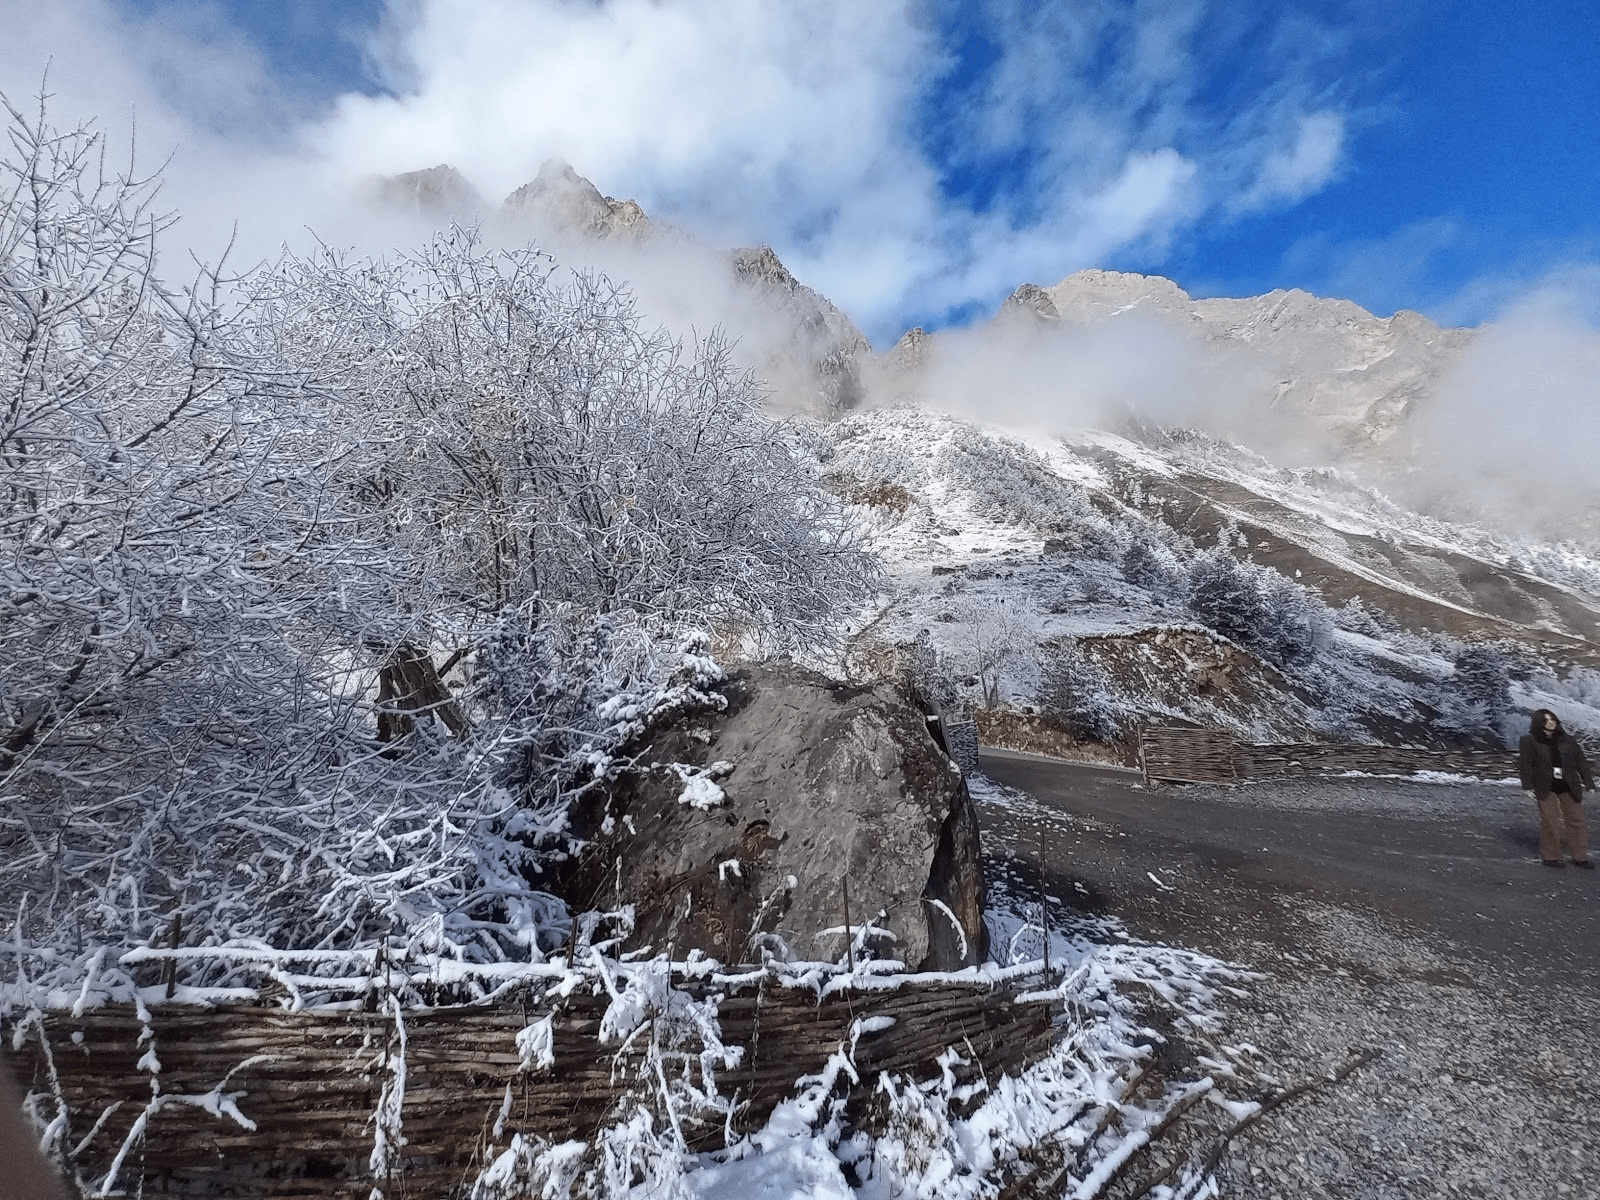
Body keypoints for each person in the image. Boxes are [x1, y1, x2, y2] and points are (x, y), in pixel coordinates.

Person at [1518, 708, 1594, 868]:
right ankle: (1551, 857)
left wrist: (1589, 783)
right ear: (1539, 722)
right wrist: (1527, 786)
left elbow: (1581, 762)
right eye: (1546, 720)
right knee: (1550, 820)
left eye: (1553, 719)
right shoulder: (1528, 740)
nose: (1551, 722)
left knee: (1576, 820)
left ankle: (1580, 857)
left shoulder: (1568, 740)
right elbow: (1525, 765)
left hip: (1568, 784)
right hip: (1545, 785)